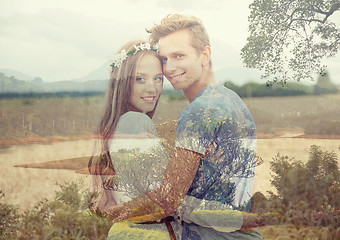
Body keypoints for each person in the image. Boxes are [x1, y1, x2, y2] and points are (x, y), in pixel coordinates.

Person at [94, 15, 263, 240]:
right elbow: (169, 199)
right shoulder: (233, 101)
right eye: (164, 59)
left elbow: (167, 200)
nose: (169, 68)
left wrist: (116, 212)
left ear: (205, 55)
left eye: (179, 56)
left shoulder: (199, 112)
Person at [88, 40, 175, 239]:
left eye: (158, 78)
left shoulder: (118, 124)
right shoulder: (135, 122)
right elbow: (165, 197)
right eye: (140, 79)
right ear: (122, 82)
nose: (152, 88)